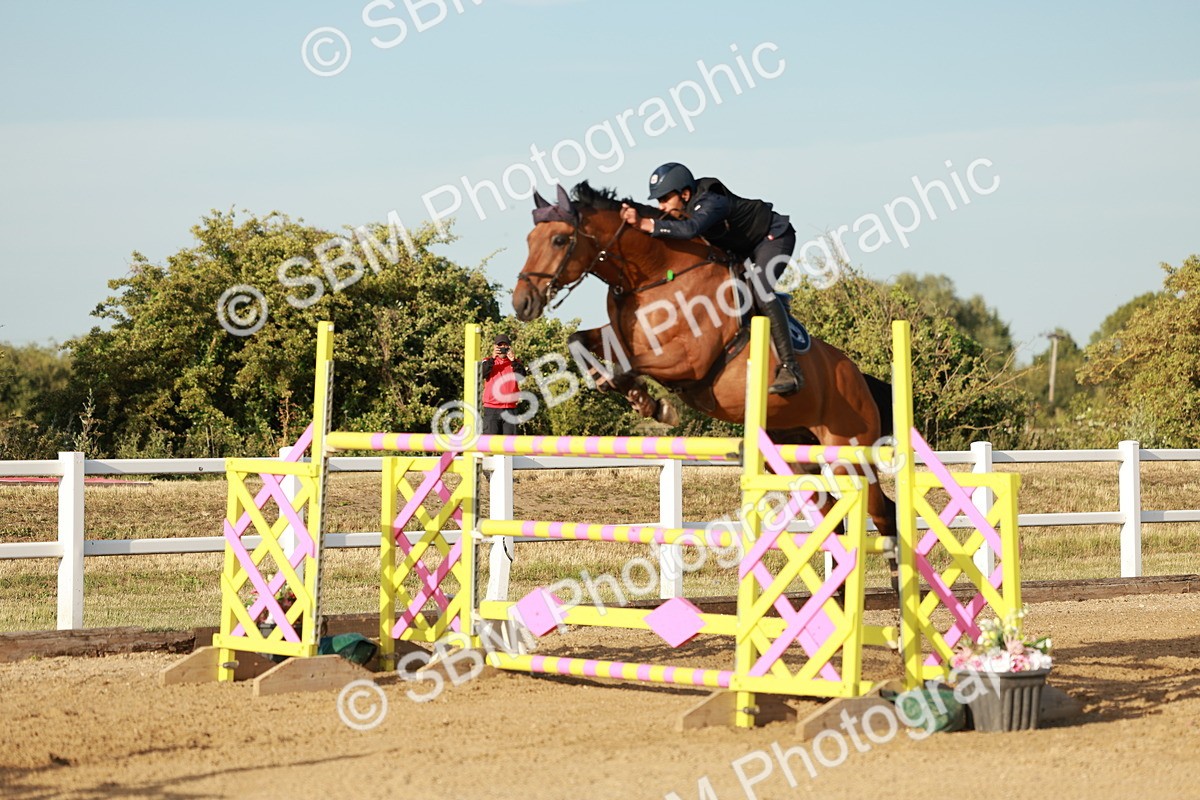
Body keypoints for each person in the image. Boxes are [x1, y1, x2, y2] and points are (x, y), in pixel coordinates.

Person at [619, 162, 804, 395]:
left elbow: (689, 230)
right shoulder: (683, 208)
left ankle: (791, 368)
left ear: (685, 194)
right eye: (659, 201)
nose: (662, 206)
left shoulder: (712, 201)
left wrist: (645, 223)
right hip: (742, 249)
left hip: (772, 237)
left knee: (759, 290)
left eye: (665, 199)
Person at [480, 333, 527, 435]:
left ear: (509, 347)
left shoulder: (515, 362)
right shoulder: (488, 361)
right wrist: (493, 358)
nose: (502, 348)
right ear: (495, 347)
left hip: (510, 408)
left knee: (510, 446)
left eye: (505, 346)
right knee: (490, 444)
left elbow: (522, 376)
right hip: (492, 408)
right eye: (499, 346)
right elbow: (482, 373)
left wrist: (513, 361)